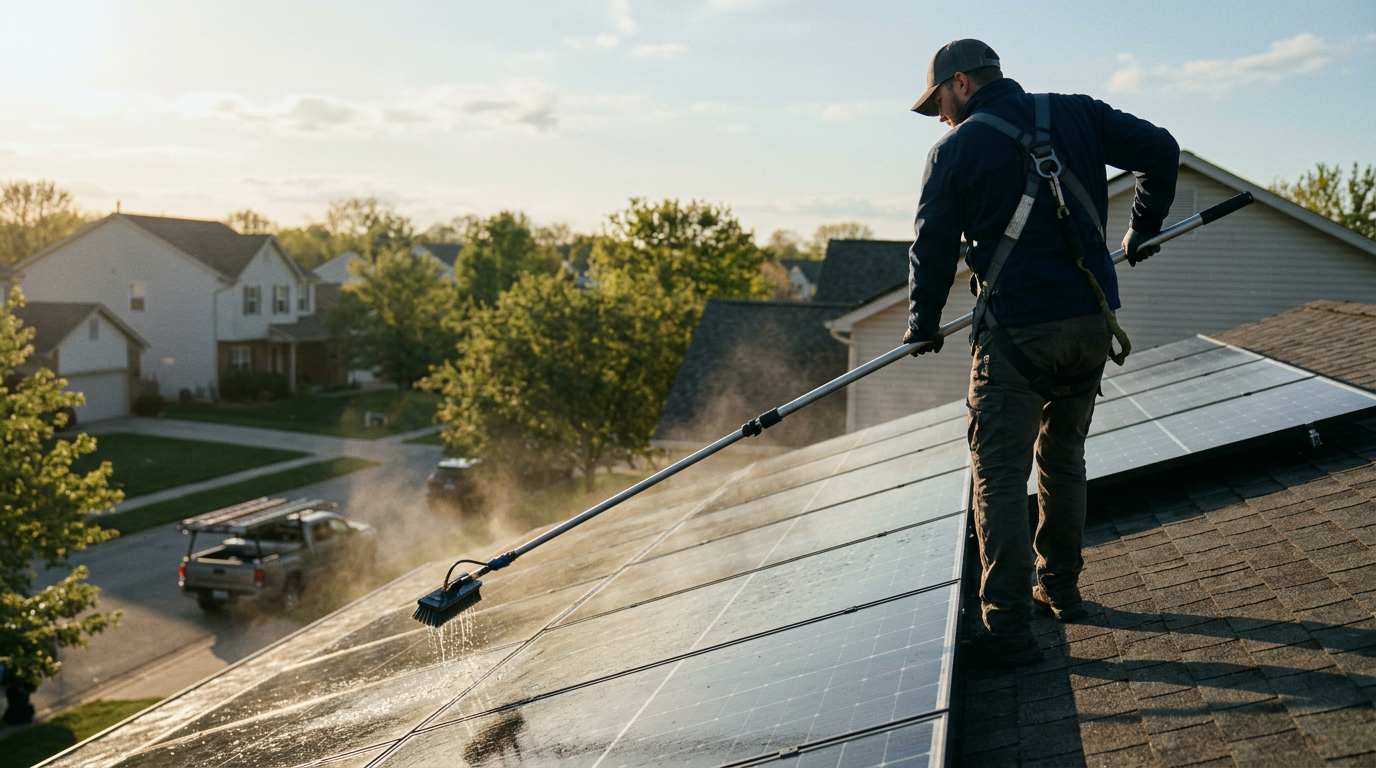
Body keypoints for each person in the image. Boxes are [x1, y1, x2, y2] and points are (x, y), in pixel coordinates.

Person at [904, 39, 1178, 667]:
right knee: (1063, 460)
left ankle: (1007, 630)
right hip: (1089, 327)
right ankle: (1061, 589)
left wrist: (922, 323)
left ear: (963, 83)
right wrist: (1145, 226)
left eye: (940, 102)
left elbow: (933, 247)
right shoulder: (1076, 113)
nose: (941, 115)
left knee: (999, 478)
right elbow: (1161, 150)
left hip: (1019, 336)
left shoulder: (954, 150)